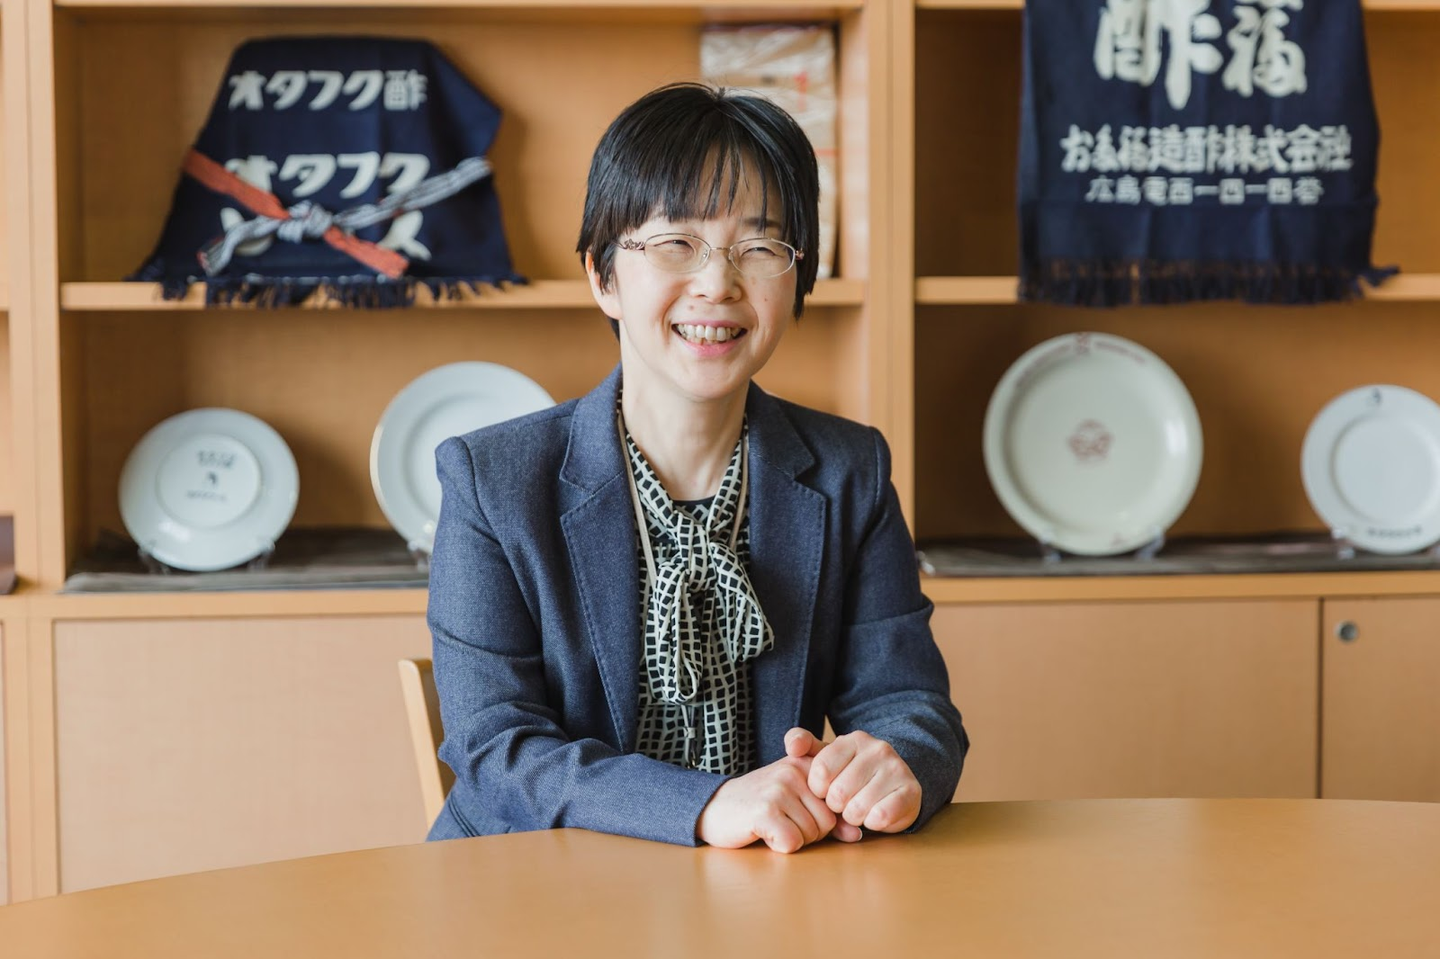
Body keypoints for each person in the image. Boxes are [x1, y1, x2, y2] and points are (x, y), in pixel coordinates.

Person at [426, 82, 967, 853]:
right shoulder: (491, 479)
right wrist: (704, 805)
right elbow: (495, 750)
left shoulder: (850, 470)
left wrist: (894, 762)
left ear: (798, 273)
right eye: (675, 243)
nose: (718, 283)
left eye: (760, 247)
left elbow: (908, 700)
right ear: (603, 276)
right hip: (535, 880)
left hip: (761, 886)